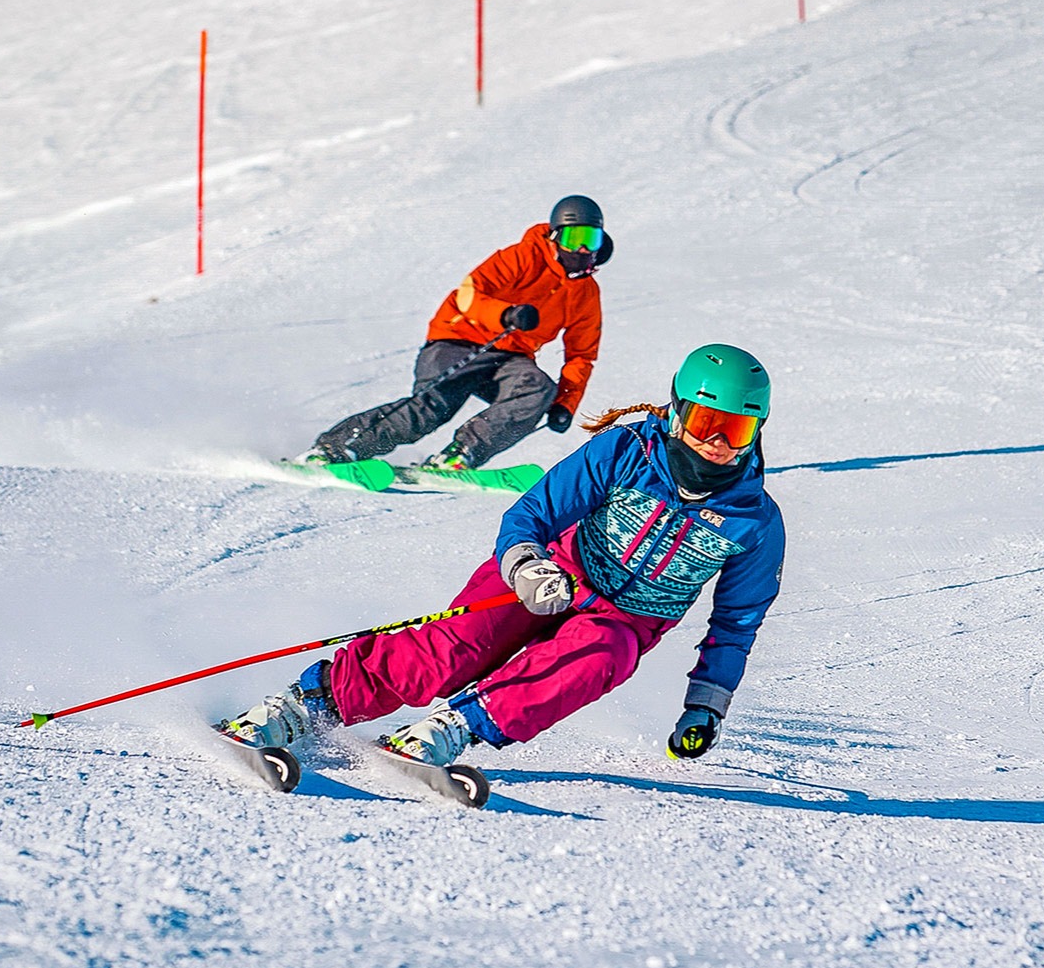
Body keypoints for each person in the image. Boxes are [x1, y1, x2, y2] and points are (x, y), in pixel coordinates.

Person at [227, 343, 785, 765]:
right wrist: (525, 564)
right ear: (677, 412)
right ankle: (308, 705)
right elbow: (531, 513)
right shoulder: (626, 451)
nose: (718, 442)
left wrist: (706, 703)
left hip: (625, 620)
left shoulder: (754, 521)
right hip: (554, 573)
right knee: (452, 651)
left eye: (736, 429)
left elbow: (736, 622)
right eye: (708, 422)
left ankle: (454, 729)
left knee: (602, 655)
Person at [300, 195, 613, 472]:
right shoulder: (522, 256)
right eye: (575, 238)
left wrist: (565, 404)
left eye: (592, 239)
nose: (583, 249)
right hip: (460, 340)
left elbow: (582, 354)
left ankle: (461, 454)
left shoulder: (586, 294)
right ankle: (335, 448)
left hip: (510, 358)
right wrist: (504, 314)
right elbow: (468, 292)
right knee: (432, 408)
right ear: (555, 236)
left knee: (537, 391)